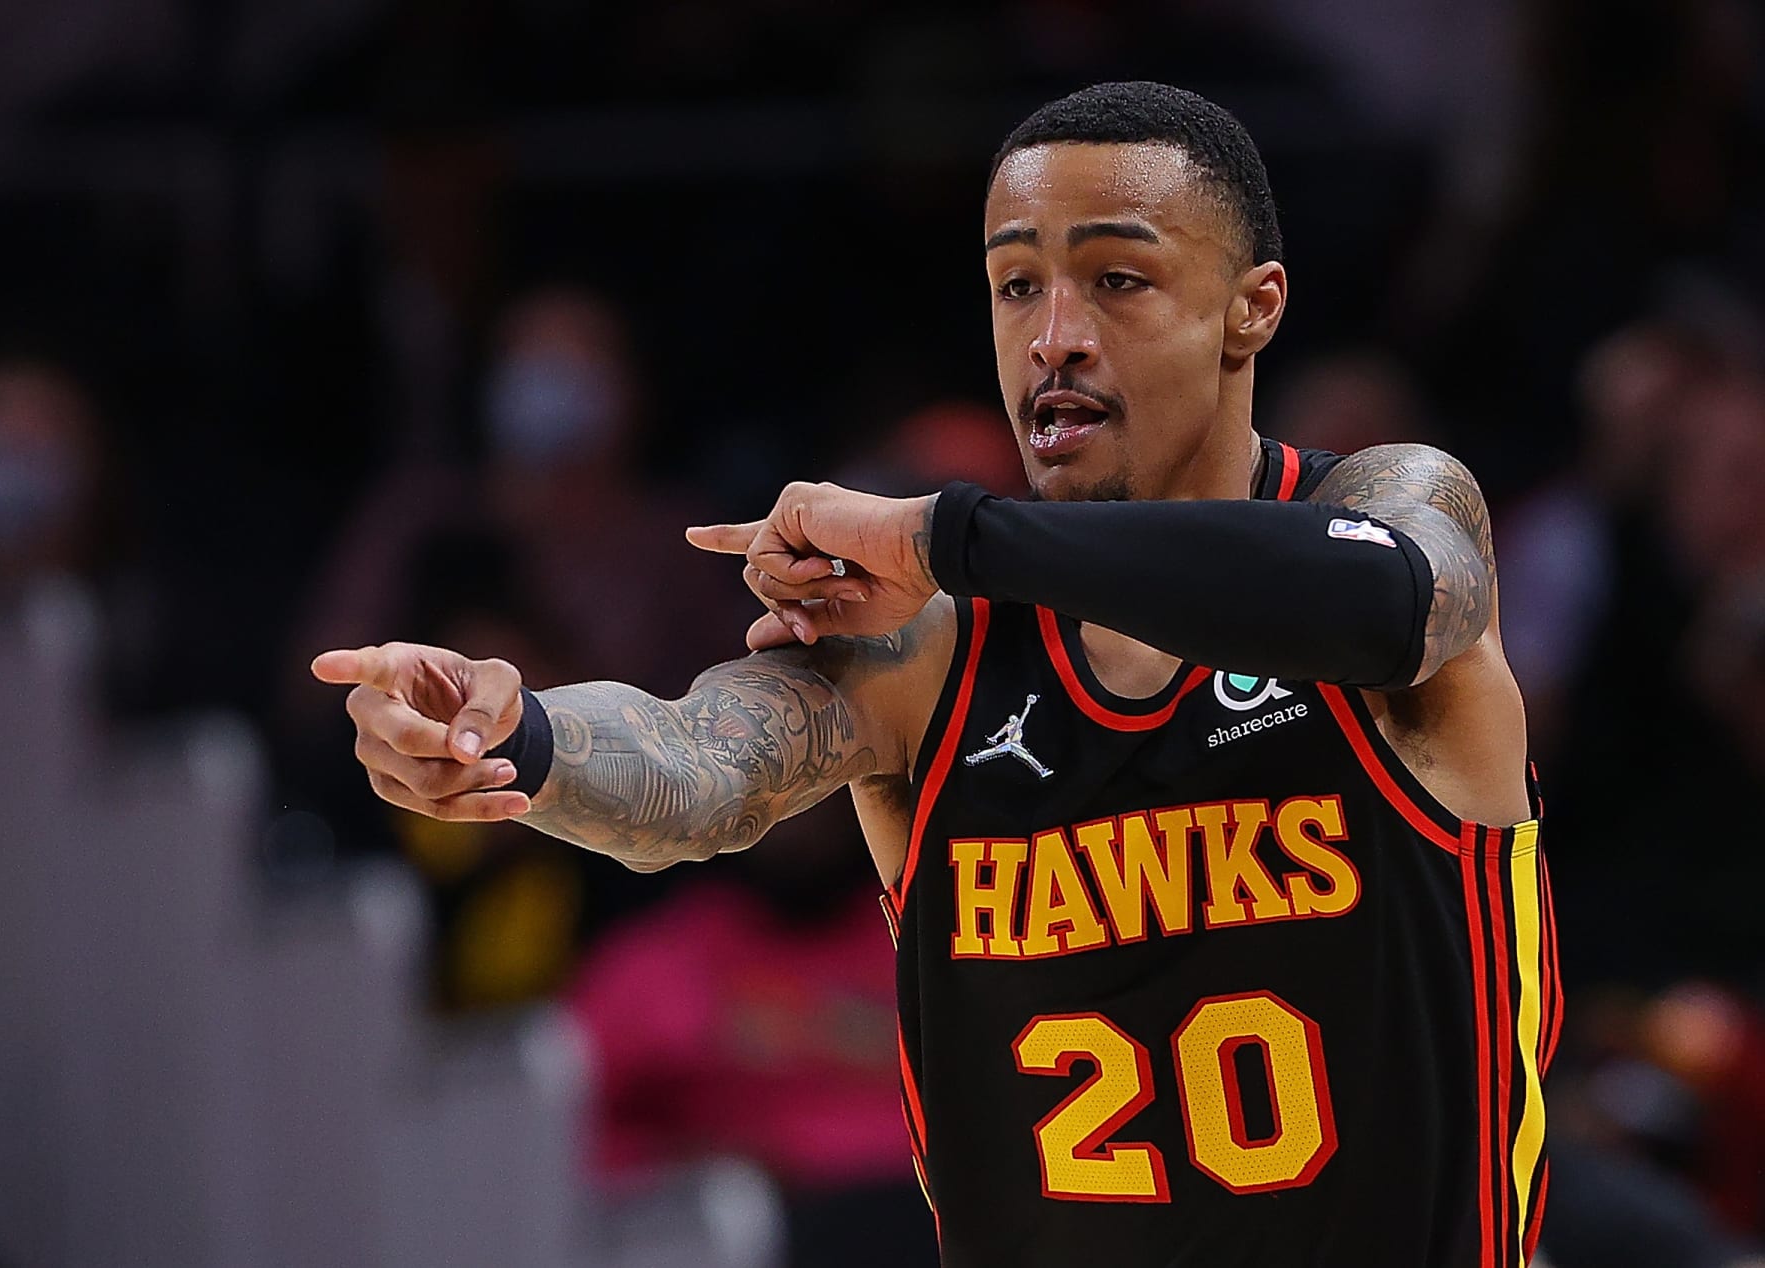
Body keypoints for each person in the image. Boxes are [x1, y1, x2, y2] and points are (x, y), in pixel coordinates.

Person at [314, 82, 1557, 1267]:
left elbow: (1384, 599)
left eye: (1116, 280)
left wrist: (944, 532)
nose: (1053, 337)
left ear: (1254, 305)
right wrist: (513, 732)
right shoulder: (934, 645)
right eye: (1016, 286)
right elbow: (694, 764)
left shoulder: (1388, 509)